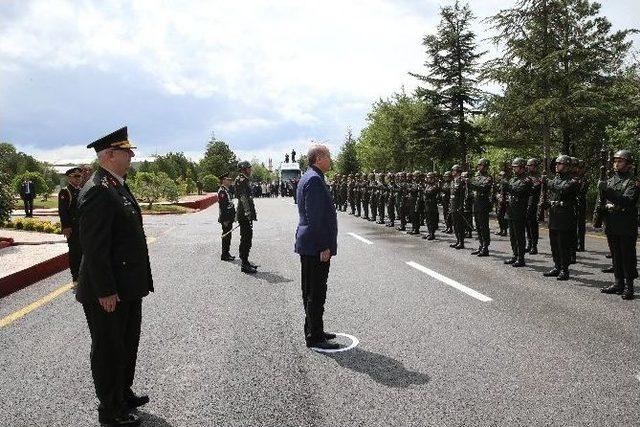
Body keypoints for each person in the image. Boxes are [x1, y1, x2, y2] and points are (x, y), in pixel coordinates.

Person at [76, 126, 152, 426]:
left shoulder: (116, 184)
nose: (132, 156)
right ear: (109, 155)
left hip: (128, 286)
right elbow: (94, 249)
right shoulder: (97, 190)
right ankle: (110, 409)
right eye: (126, 151)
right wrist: (105, 290)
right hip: (108, 290)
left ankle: (123, 393)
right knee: (109, 348)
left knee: (127, 343)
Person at [295, 144, 339, 350]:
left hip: (310, 244)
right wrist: (324, 246)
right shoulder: (313, 179)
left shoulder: (310, 177)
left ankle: (316, 329)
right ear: (319, 158)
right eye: (328, 156)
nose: (331, 159)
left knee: (313, 290)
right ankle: (314, 337)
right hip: (315, 245)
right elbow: (315, 218)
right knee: (315, 291)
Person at [599, 150, 639, 300]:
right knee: (615, 255)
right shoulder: (610, 180)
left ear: (628, 164)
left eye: (620, 161)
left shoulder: (633, 182)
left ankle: (629, 286)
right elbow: (603, 200)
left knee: (627, 256)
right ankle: (618, 283)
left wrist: (607, 191)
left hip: (626, 223)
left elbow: (627, 201)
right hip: (612, 222)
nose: (616, 164)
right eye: (615, 161)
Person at [540, 155, 579, 280]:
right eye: (556, 164)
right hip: (554, 215)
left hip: (565, 216)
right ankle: (557, 266)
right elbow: (553, 194)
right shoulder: (556, 179)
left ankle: (564, 269)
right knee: (554, 243)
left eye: (559, 164)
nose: (556, 166)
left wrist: (548, 182)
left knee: (563, 244)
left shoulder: (573, 180)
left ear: (567, 166)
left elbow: (563, 190)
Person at [504, 158, 533, 267]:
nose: (513, 169)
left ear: (521, 167)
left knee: (519, 235)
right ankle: (515, 255)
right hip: (511, 209)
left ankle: (521, 258)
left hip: (519, 210)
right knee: (512, 235)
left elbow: (518, 190)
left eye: (515, 167)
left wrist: (506, 184)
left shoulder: (526, 180)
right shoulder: (513, 179)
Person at [58, 167, 83, 284]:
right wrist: (66, 227)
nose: (79, 178)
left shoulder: (81, 190)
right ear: (69, 178)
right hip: (72, 228)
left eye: (80, 176)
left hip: (83, 227)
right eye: (76, 176)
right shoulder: (65, 191)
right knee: (75, 252)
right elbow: (63, 211)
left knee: (83, 251)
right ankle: (76, 277)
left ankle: (83, 275)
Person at [235, 161, 258, 273]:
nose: (250, 170)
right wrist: (248, 213)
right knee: (246, 238)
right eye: (248, 168)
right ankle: (244, 264)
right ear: (243, 169)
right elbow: (243, 198)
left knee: (248, 237)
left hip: (246, 213)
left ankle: (246, 261)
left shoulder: (244, 179)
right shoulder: (241, 180)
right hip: (244, 214)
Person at [468, 158, 493, 256]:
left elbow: (482, 187)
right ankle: (480, 245)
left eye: (481, 165)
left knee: (484, 226)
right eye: (479, 165)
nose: (479, 167)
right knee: (478, 226)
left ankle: (485, 247)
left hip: (483, 203)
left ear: (486, 166)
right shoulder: (476, 176)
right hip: (476, 202)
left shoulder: (488, 177)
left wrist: (471, 182)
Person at [217, 173, 236, 261]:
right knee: (226, 236)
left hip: (229, 217)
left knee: (228, 236)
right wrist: (225, 219)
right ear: (224, 180)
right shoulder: (222, 191)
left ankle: (227, 253)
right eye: (227, 179)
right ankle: (224, 254)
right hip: (226, 218)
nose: (229, 181)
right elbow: (223, 207)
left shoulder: (226, 190)